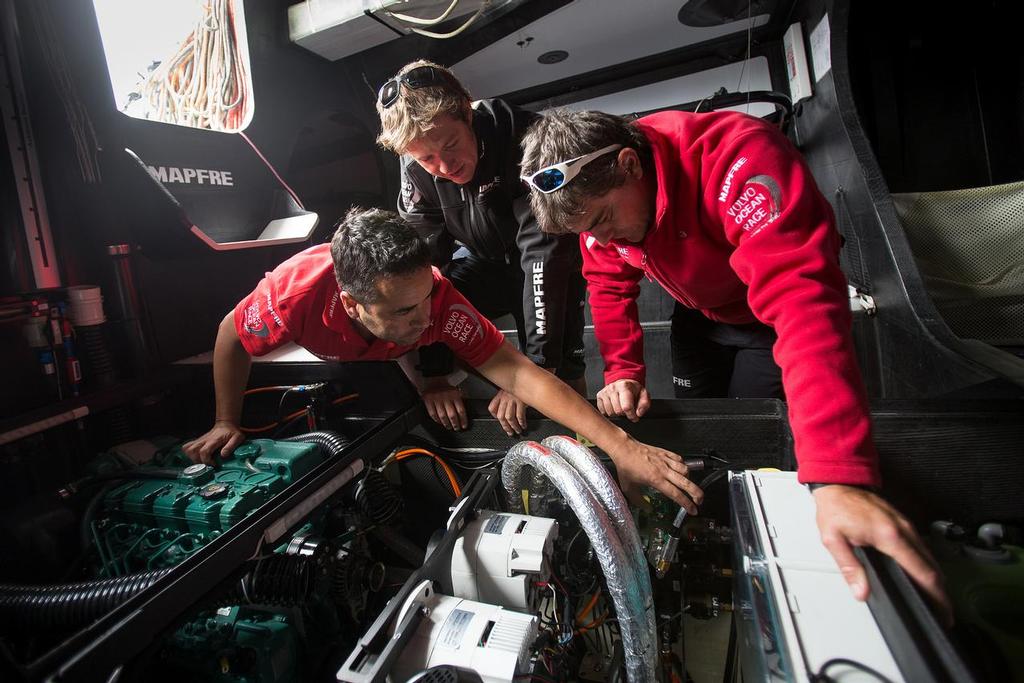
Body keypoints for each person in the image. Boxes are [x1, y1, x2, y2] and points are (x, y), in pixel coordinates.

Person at [519, 109, 951, 617]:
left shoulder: (737, 157)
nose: (605, 239)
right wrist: (623, 370)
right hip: (699, 314)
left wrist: (838, 477)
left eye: (603, 221)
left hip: (766, 321)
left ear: (631, 165)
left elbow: (801, 301)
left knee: (752, 432)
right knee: (708, 431)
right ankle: (708, 537)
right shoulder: (603, 213)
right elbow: (609, 283)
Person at [183, 207, 702, 514]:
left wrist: (622, 446)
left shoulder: (438, 301)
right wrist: (225, 419)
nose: (424, 317)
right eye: (405, 310)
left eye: (426, 295)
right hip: (347, 355)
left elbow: (520, 373)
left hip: (386, 347)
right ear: (352, 304)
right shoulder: (293, 297)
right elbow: (230, 334)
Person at [375, 60, 586, 438]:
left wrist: (534, 369)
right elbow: (425, 267)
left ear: (466, 112)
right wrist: (435, 375)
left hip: (549, 262)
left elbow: (542, 253)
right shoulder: (416, 169)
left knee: (560, 368)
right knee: (421, 295)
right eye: (426, 158)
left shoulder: (528, 138)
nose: (444, 165)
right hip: (486, 263)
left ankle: (584, 446)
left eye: (450, 145)